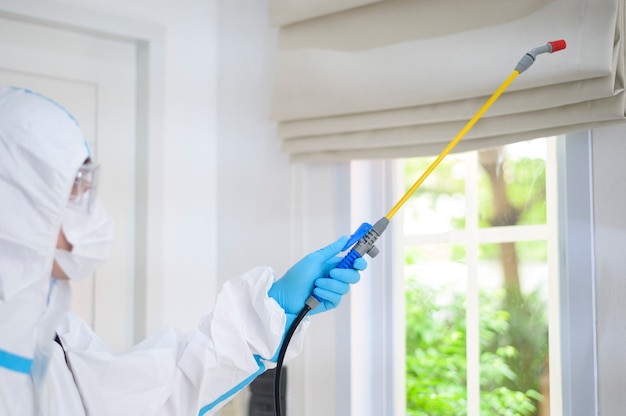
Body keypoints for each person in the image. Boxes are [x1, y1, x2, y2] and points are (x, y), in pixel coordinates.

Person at [0, 86, 367, 415]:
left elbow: (155, 399)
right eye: (74, 189)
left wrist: (272, 310)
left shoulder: (49, 329)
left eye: (87, 186)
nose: (92, 211)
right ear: (14, 206)